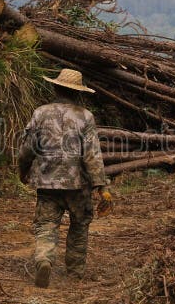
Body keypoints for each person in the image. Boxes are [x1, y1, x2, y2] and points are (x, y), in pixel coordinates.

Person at [18, 68, 111, 288]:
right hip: (78, 185)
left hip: (47, 183)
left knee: (46, 224)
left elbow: (27, 149)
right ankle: (75, 273)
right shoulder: (85, 116)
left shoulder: (40, 113)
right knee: (79, 226)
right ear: (79, 93)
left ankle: (44, 259)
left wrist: (23, 171)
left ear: (55, 87)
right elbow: (92, 155)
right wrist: (102, 186)